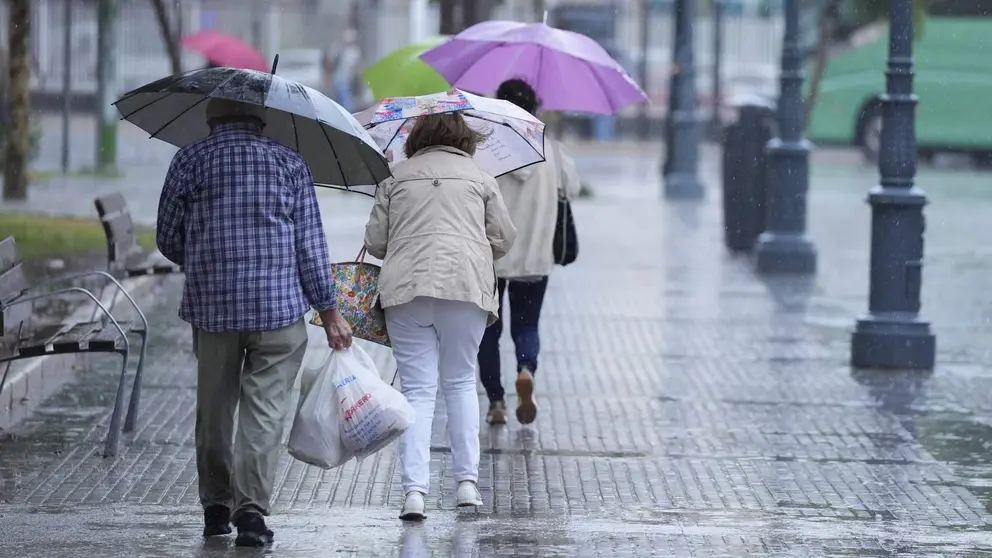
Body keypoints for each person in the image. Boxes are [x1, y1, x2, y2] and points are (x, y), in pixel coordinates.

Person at [156, 98, 353, 547]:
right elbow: (310, 247)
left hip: (213, 310)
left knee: (214, 411)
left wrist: (206, 252)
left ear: (211, 116)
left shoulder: (189, 160)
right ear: (262, 119)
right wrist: (329, 311)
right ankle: (250, 514)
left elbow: (167, 237)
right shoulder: (289, 163)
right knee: (263, 414)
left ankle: (214, 508)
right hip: (278, 312)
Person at [364, 112, 516, 521]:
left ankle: (414, 492)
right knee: (462, 383)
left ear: (416, 138)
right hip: (465, 287)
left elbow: (375, 243)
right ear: (465, 138)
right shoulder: (481, 178)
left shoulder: (394, 178)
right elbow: (504, 238)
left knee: (417, 392)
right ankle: (467, 485)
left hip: (406, 290)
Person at [478, 78, 581, 426]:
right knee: (527, 325)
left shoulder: (489, 151)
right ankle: (525, 368)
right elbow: (573, 189)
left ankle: (496, 402)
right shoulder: (551, 150)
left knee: (488, 331)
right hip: (535, 257)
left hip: (490, 256)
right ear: (535, 109)